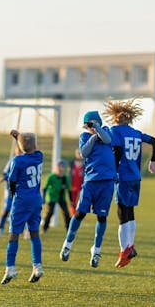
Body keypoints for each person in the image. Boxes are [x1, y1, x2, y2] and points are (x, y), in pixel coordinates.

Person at [103, 98, 155, 268]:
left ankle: (123, 251)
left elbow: (118, 150)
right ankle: (130, 246)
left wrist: (112, 169)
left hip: (123, 177)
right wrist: (153, 161)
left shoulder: (114, 131)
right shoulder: (135, 132)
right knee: (130, 212)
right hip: (135, 177)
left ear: (114, 118)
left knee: (122, 214)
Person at [60, 111, 116, 268]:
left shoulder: (107, 131)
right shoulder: (84, 137)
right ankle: (67, 244)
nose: (91, 125)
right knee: (80, 213)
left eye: (94, 122)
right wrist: (92, 135)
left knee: (102, 217)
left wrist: (98, 128)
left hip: (107, 182)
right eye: (89, 123)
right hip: (91, 181)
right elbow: (84, 152)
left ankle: (96, 250)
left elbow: (107, 139)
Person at [1, 130, 44, 284]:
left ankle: (10, 268)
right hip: (36, 200)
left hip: (22, 200)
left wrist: (14, 197)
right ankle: (37, 266)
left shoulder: (17, 161)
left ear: (19, 146)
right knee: (34, 234)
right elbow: (32, 148)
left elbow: (11, 182)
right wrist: (19, 136)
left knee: (13, 234)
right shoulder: (40, 157)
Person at [0, 145, 24, 238]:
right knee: (7, 209)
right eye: (17, 150)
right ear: (15, 151)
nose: (19, 152)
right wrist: (0, 181)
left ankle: (26, 231)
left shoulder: (25, 161)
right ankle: (0, 228)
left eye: (20, 150)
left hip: (22, 191)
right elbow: (6, 174)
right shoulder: (12, 161)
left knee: (23, 210)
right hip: (11, 190)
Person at [42, 159, 71, 233]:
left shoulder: (65, 178)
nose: (60, 168)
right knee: (50, 212)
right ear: (56, 167)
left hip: (61, 197)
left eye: (62, 167)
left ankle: (69, 229)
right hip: (52, 197)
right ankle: (45, 228)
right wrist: (43, 198)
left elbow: (69, 190)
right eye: (59, 166)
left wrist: (71, 201)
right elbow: (45, 188)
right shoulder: (51, 177)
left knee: (66, 213)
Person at [69, 149, 84, 216]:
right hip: (73, 185)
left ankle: (79, 213)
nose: (79, 155)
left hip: (81, 185)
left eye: (80, 153)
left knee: (81, 200)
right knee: (73, 201)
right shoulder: (72, 163)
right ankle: (73, 214)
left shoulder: (85, 164)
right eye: (78, 153)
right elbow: (70, 175)